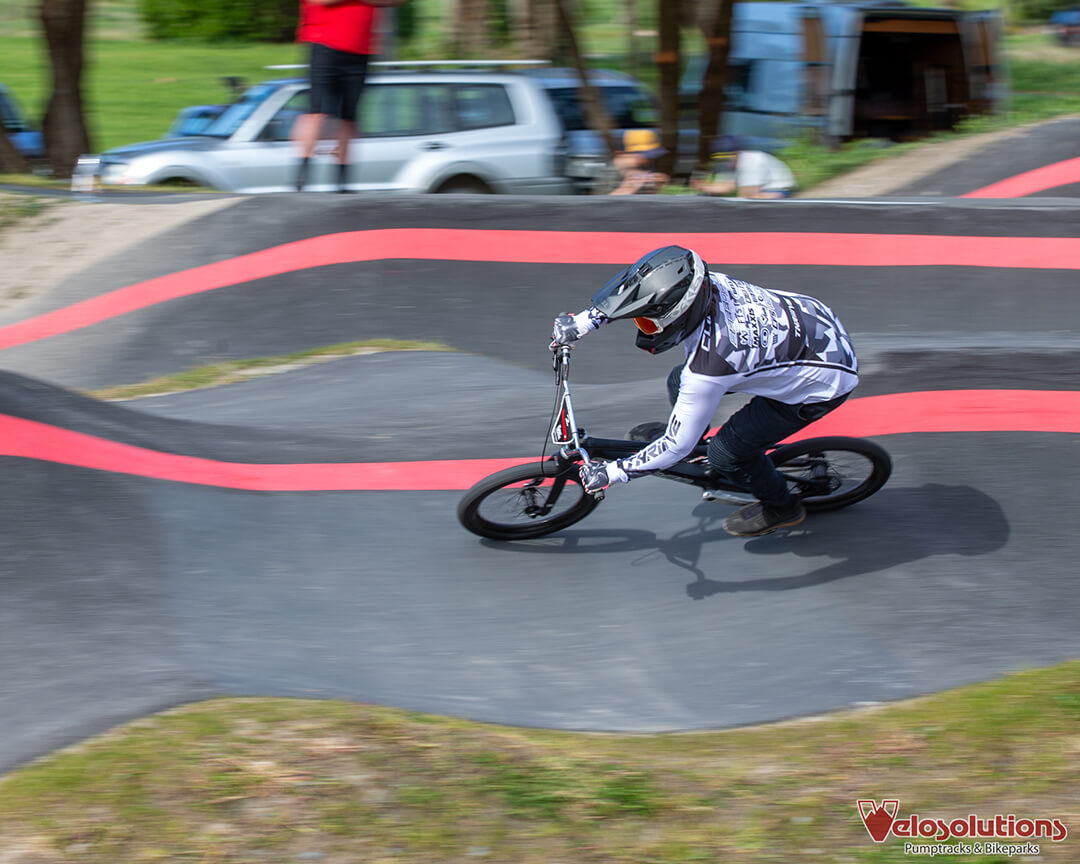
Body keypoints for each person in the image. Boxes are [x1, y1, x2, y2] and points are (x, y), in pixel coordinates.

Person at [549, 246, 858, 537]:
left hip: (820, 384)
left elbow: (675, 448)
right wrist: (583, 322)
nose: (642, 327)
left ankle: (782, 507)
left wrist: (612, 473)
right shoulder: (707, 283)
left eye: (647, 322)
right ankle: (699, 435)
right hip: (813, 325)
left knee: (725, 453)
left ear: (680, 316)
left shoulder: (709, 367)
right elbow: (635, 295)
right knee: (677, 381)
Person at [293, 0, 405, 192]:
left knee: (349, 118)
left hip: (360, 49)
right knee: (317, 112)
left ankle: (342, 183)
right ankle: (301, 181)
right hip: (324, 43)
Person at [690, 135, 796, 199]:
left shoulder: (750, 162)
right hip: (763, 191)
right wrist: (704, 186)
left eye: (727, 158)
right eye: (721, 158)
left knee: (747, 204)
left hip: (778, 191)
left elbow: (746, 196)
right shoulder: (733, 162)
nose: (725, 162)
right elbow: (727, 187)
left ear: (736, 154)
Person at [607, 129, 671, 195]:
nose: (649, 160)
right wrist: (627, 188)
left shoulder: (644, 167)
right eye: (646, 155)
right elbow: (602, 201)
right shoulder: (610, 172)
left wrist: (656, 186)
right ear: (626, 154)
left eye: (652, 155)